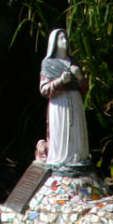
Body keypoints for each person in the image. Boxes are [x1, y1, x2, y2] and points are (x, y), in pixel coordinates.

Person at [39, 29, 90, 170]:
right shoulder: (48, 63)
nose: (65, 42)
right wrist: (60, 81)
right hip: (59, 102)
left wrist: (79, 77)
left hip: (75, 100)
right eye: (61, 39)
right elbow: (43, 89)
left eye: (66, 39)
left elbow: (85, 89)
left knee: (76, 131)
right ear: (54, 42)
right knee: (60, 133)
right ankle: (60, 159)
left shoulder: (74, 62)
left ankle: (77, 157)